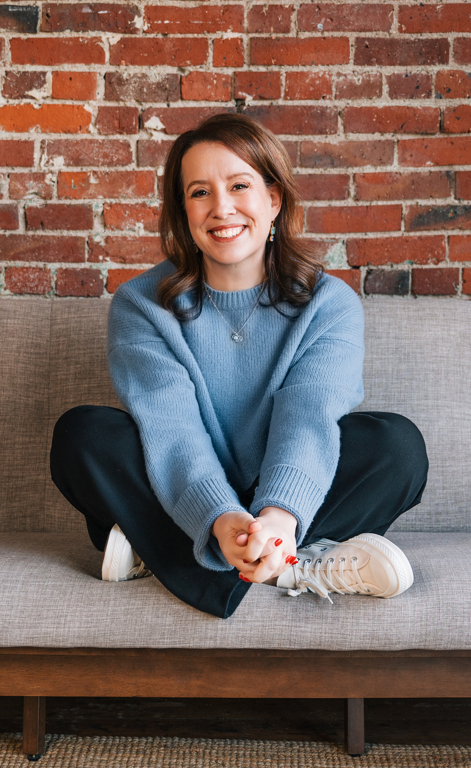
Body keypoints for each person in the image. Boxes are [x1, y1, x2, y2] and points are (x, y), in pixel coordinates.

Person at [50, 113, 429, 619]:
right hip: (180, 486)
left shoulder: (329, 303)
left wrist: (277, 515)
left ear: (273, 199)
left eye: (239, 185)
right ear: (182, 210)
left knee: (396, 446)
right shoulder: (140, 304)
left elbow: (309, 414)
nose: (221, 207)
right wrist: (219, 518)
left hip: (287, 492)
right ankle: (291, 567)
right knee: (84, 434)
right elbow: (171, 427)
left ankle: (175, 554)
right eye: (200, 192)